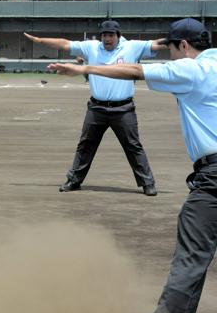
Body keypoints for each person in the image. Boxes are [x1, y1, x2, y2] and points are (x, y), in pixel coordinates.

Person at [48, 17, 217, 313]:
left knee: (191, 256)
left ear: (183, 45)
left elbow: (136, 71)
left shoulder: (193, 69)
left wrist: (85, 69)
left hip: (214, 177)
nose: (170, 56)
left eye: (171, 50)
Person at [24, 20, 167, 196]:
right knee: (85, 145)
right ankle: (74, 181)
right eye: (104, 35)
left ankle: (147, 183)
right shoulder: (91, 47)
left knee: (133, 145)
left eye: (111, 35)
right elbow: (65, 43)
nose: (107, 39)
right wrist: (39, 41)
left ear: (118, 35)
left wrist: (180, 38)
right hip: (96, 108)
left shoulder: (132, 47)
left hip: (123, 109)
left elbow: (158, 44)